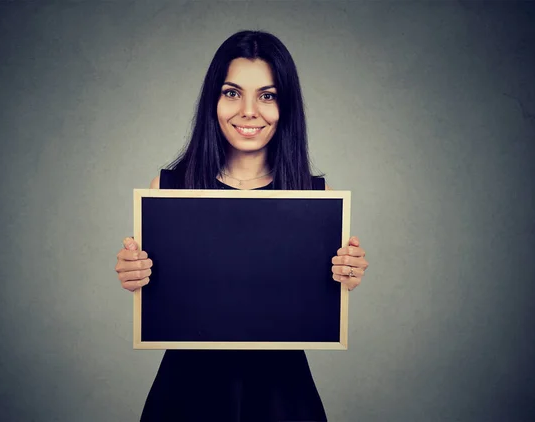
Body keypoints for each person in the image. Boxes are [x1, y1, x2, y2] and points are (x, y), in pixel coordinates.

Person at [115, 30, 369, 421]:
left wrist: (342, 277)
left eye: (267, 95)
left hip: (281, 392)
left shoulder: (317, 196)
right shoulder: (168, 189)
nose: (249, 111)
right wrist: (135, 273)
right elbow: (159, 291)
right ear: (213, 101)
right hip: (187, 390)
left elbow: (320, 297)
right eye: (232, 92)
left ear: (285, 106)